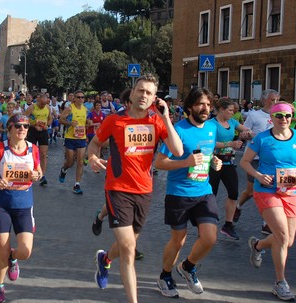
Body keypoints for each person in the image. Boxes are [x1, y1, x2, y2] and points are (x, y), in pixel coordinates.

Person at [89, 74, 182, 303]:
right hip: (117, 188)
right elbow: (95, 143)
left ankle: (105, 259)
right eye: (140, 90)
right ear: (132, 93)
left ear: (154, 98)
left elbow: (178, 151)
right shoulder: (114, 120)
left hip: (144, 191)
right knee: (129, 248)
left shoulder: (157, 121)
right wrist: (91, 157)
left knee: (125, 245)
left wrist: (166, 118)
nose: (144, 95)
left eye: (149, 93)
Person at [153, 87, 222, 298]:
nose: (206, 108)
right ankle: (165, 275)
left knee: (210, 238)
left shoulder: (212, 127)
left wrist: (214, 161)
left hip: (204, 191)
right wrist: (185, 162)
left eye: (209, 105)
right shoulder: (178, 130)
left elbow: (207, 154)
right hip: (179, 192)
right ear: (190, 106)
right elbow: (160, 163)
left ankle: (188, 266)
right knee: (179, 240)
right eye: (201, 104)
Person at [240, 102, 296, 301]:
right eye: (279, 116)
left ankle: (258, 246)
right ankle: (280, 282)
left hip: (290, 191)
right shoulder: (262, 138)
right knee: (281, 235)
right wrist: (258, 175)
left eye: (288, 116)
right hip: (266, 190)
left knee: (288, 241)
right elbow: (244, 162)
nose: (284, 120)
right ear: (272, 118)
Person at [0, 114, 43, 303]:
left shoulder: (33, 149)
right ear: (10, 129)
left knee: (25, 251)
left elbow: (39, 171)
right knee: (2, 251)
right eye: (18, 126)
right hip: (3, 206)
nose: (22, 129)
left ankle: (13, 259)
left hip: (24, 205)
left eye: (25, 126)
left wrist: (36, 175)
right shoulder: (1, 148)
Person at [235, 89, 280, 235]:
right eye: (272, 100)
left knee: (271, 189)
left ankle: (266, 223)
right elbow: (245, 133)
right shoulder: (254, 115)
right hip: (254, 158)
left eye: (277, 100)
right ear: (264, 100)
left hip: (272, 159)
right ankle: (238, 206)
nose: (275, 103)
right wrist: (248, 135)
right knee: (250, 192)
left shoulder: (279, 116)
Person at [210, 98, 252, 240]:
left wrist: (248, 134)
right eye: (230, 111)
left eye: (233, 111)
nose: (232, 114)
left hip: (228, 163)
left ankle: (228, 225)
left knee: (233, 193)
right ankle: (207, 223)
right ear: (221, 109)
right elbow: (210, 143)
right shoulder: (211, 124)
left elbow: (247, 131)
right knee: (211, 194)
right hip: (214, 162)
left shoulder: (233, 122)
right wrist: (230, 143)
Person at [58, 90, 89, 194]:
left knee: (80, 162)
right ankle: (64, 170)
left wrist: (88, 123)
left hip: (81, 137)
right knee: (70, 162)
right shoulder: (70, 108)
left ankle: (77, 184)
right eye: (78, 97)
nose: (80, 99)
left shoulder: (85, 110)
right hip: (70, 137)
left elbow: (86, 122)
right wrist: (70, 123)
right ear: (74, 98)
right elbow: (61, 120)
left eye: (82, 97)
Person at [24, 92, 52, 186]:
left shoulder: (47, 107)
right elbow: (24, 118)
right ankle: (29, 171)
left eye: (44, 104)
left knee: (44, 154)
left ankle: (42, 175)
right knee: (30, 153)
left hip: (43, 131)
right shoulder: (32, 107)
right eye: (41, 104)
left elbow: (50, 118)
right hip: (33, 131)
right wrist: (33, 125)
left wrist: (47, 125)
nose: (42, 106)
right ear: (38, 100)